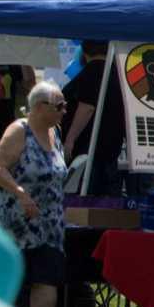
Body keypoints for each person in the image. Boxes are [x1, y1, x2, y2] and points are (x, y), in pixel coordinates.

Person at [0, 82, 69, 307]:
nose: (65, 111)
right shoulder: (19, 130)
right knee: (12, 285)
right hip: (14, 223)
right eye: (60, 106)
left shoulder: (56, 133)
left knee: (46, 281)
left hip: (48, 225)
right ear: (40, 107)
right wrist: (21, 193)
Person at [60, 41, 124, 196]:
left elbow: (87, 107)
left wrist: (70, 139)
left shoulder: (94, 71)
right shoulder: (117, 73)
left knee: (84, 200)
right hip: (109, 149)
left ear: (84, 51)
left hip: (88, 151)